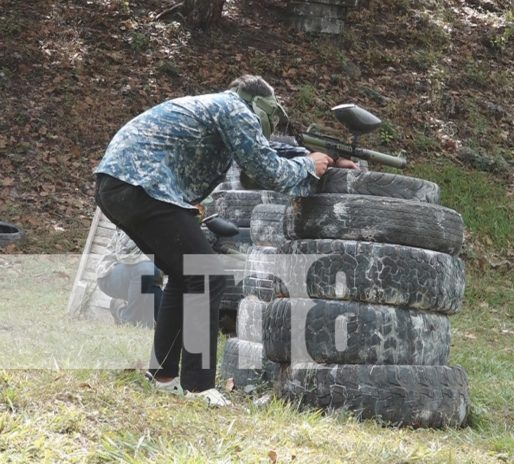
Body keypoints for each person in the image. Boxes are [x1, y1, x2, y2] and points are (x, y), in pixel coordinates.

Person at [93, 75, 356, 407]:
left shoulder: (216, 108)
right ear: (262, 105)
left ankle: (163, 377)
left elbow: (265, 150)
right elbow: (267, 169)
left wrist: (322, 157)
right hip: (144, 186)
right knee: (207, 274)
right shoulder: (236, 110)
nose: (270, 127)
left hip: (119, 186)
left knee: (185, 273)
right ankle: (199, 387)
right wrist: (309, 165)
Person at [96, 228, 163, 328]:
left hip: (149, 278)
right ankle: (128, 320)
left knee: (163, 322)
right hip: (111, 273)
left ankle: (120, 309)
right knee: (148, 270)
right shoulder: (138, 218)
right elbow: (124, 255)